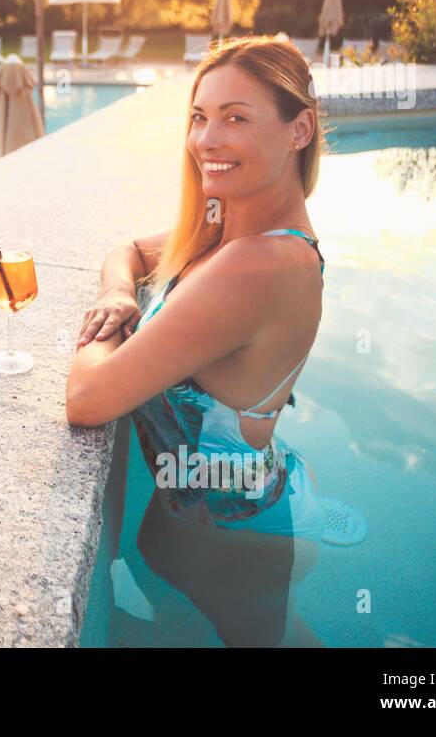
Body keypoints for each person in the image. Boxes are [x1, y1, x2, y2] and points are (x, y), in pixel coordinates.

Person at [65, 35, 327, 646]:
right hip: (201, 522)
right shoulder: (226, 223)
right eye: (199, 117)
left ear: (299, 130)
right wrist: (117, 296)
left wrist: (103, 339)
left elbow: (88, 398)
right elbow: (127, 251)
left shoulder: (259, 264)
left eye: (236, 118)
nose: (207, 140)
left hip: (236, 543)